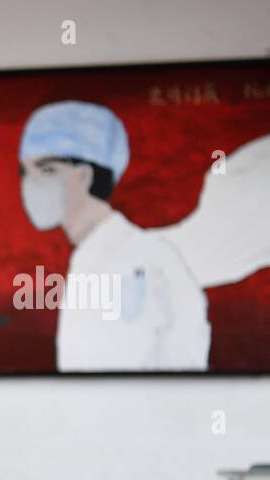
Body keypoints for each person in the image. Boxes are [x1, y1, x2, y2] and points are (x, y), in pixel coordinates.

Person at [18, 100, 209, 371]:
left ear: (84, 175)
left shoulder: (146, 261)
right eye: (25, 172)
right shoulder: (88, 258)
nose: (30, 185)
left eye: (47, 170)